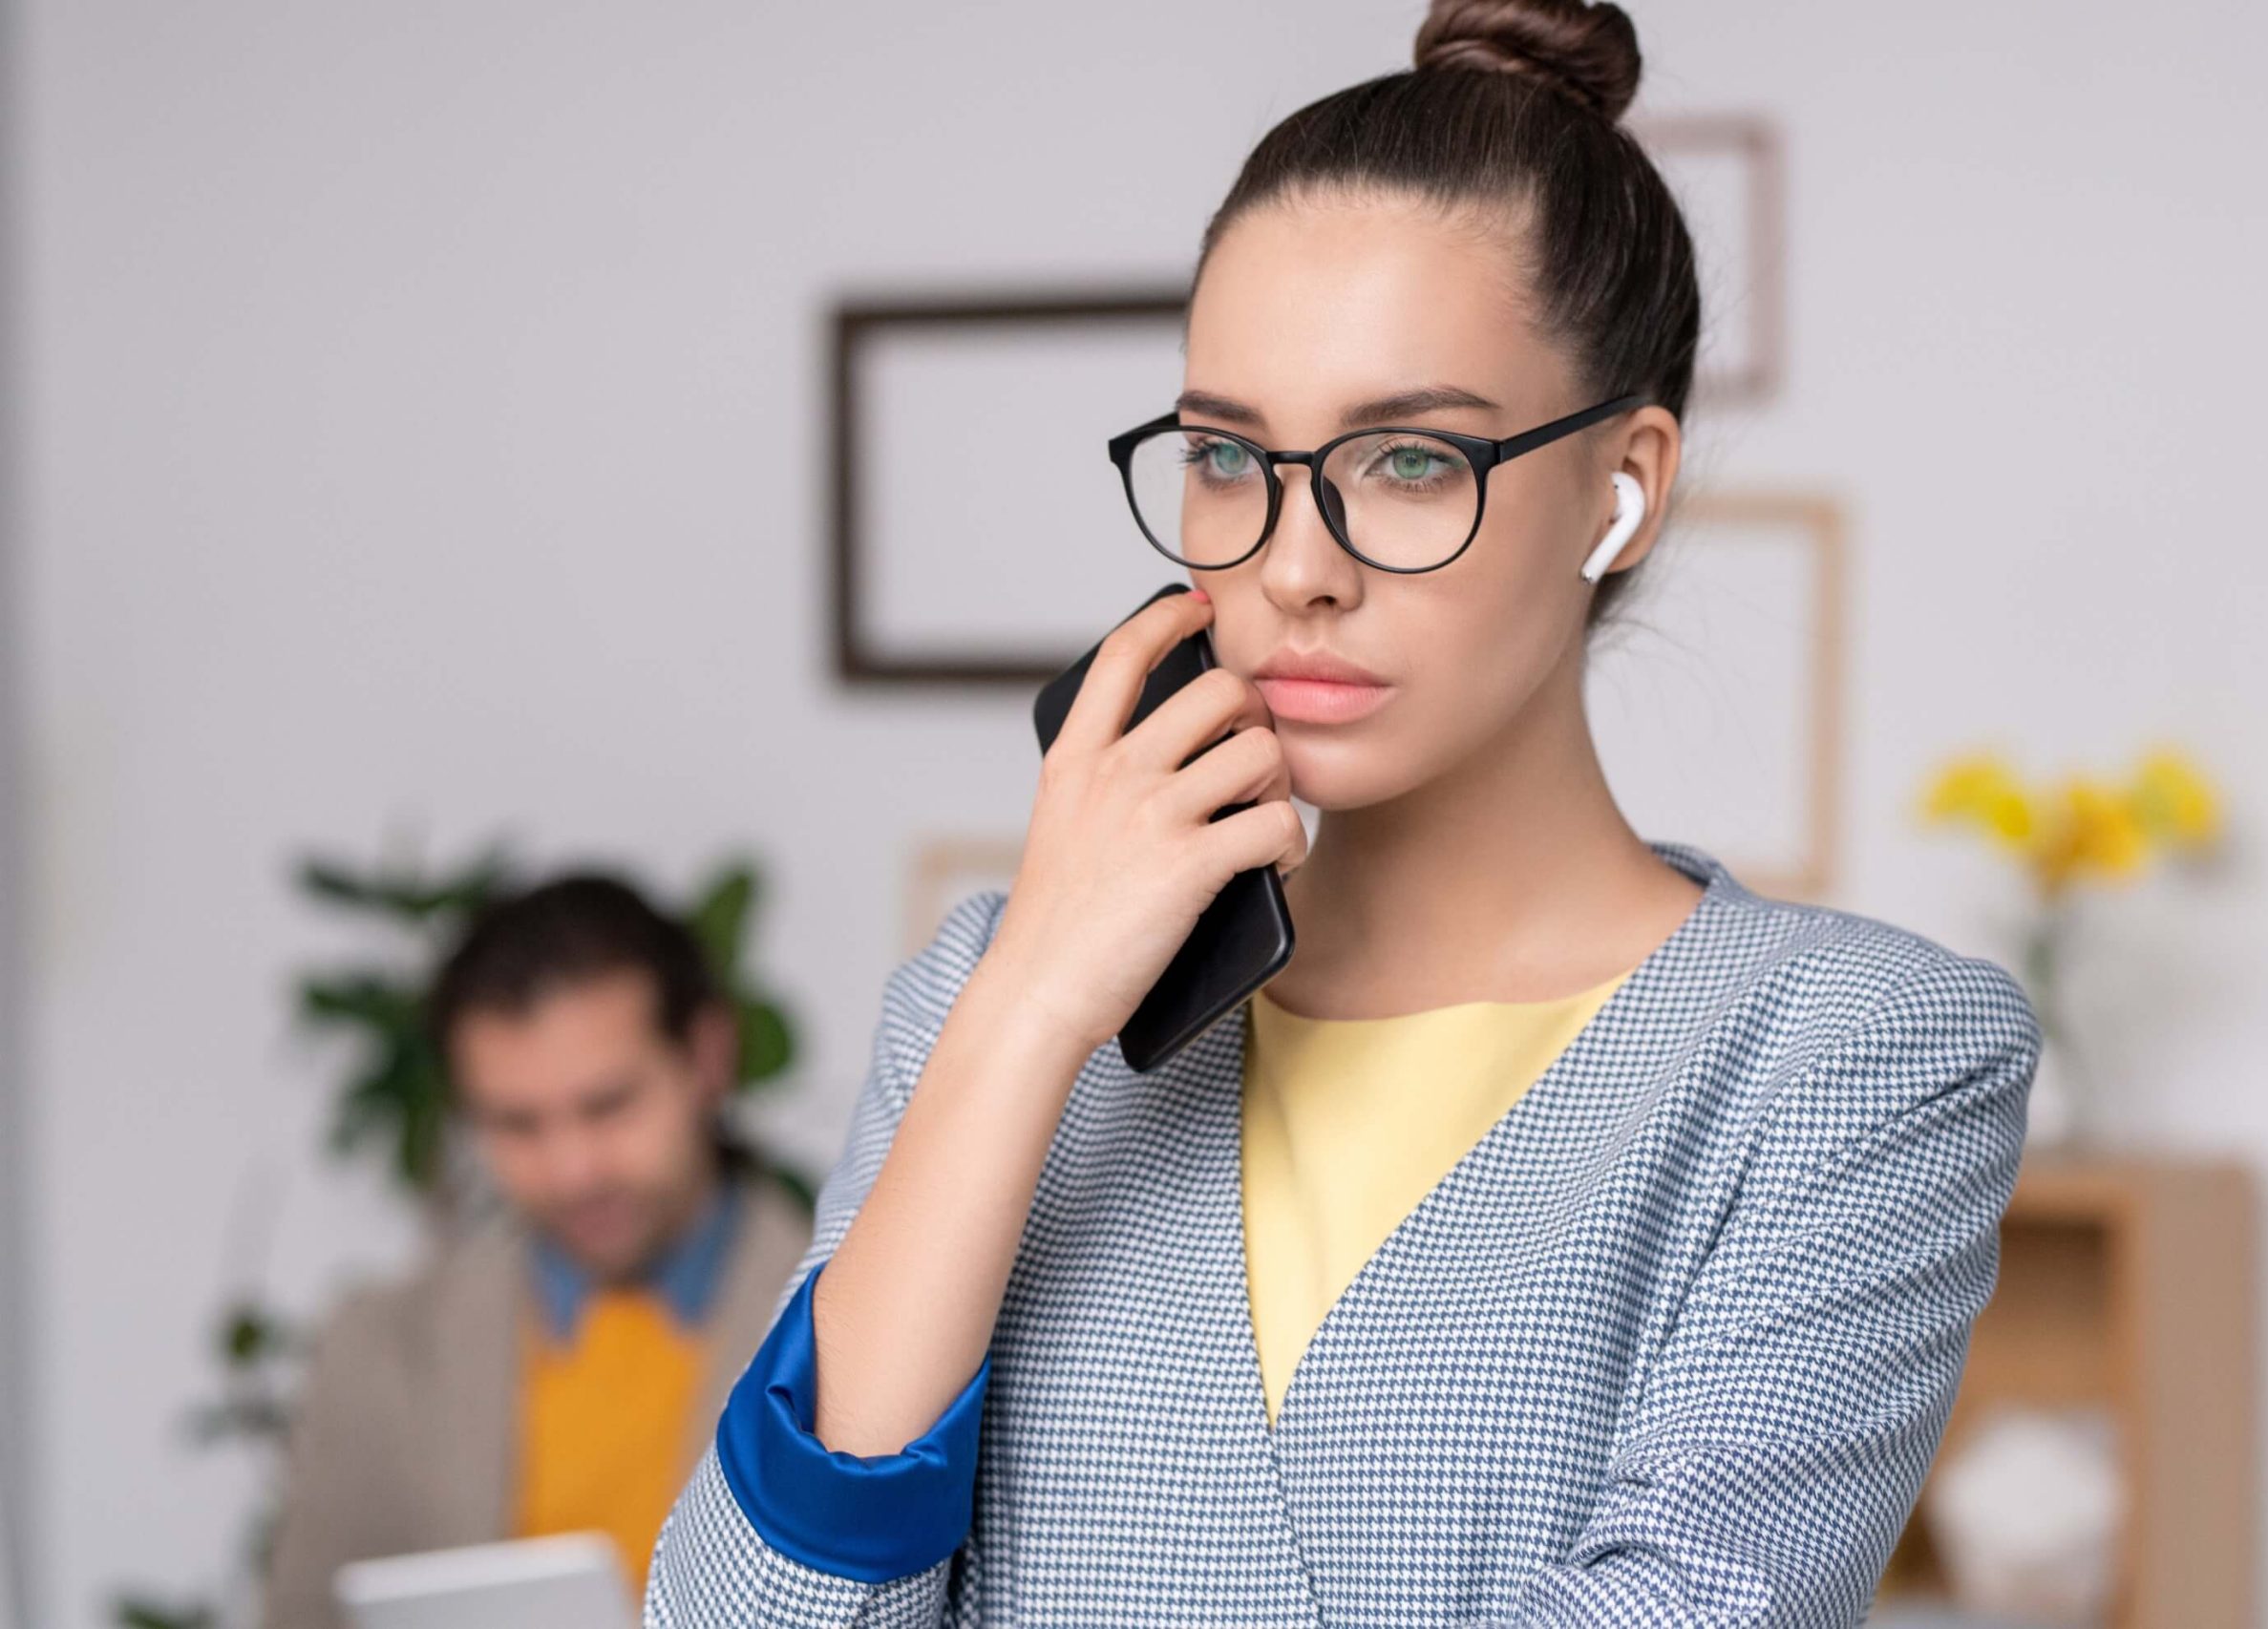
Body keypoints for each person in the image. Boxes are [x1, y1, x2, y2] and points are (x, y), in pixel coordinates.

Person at [647, 1, 2042, 1623]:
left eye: (1405, 459)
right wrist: (1027, 1011)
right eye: (1229, 458)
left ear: (1625, 487)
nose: (1291, 564)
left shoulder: (1853, 1056)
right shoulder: (995, 998)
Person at [262, 876, 811, 1629]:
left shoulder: (854, 1320)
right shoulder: (379, 1345)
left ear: (707, 1059)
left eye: (609, 1105)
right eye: (517, 1124)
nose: (572, 1171)